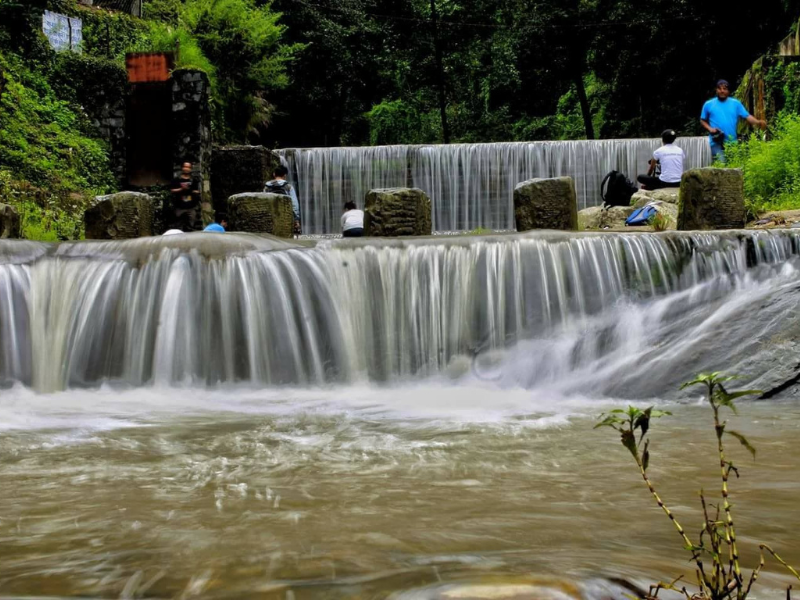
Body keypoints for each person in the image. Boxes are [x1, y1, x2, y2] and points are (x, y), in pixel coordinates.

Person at [701, 80, 766, 162]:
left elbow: (747, 116)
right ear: (716, 90)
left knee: (734, 166)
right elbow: (702, 120)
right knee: (722, 163)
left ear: (728, 91)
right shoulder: (708, 104)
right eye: (720, 89)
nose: (722, 91)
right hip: (716, 141)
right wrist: (710, 129)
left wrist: (758, 122)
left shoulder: (736, 104)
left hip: (732, 142)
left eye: (724, 89)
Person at [264, 165, 301, 236]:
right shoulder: (288, 187)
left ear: (274, 174)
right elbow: (294, 205)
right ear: (285, 175)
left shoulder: (266, 187)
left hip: (270, 217)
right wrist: (296, 220)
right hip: (285, 217)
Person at [170, 162, 201, 231]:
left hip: (191, 207)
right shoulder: (176, 179)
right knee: (178, 226)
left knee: (192, 226)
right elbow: (172, 190)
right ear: (182, 168)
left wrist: (191, 190)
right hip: (179, 207)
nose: (187, 169)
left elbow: (197, 191)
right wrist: (181, 189)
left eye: (188, 167)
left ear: (191, 169)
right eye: (185, 167)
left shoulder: (193, 180)